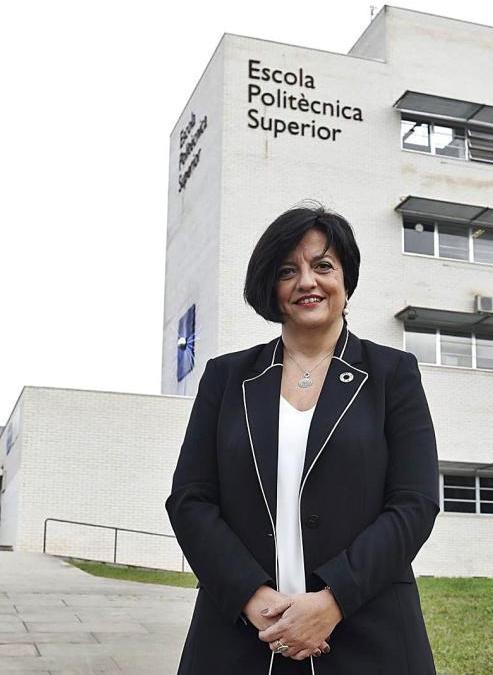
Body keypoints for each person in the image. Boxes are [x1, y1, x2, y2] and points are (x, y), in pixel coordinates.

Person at [166, 205, 440, 674]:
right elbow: (190, 500)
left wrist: (332, 601)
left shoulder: (392, 375)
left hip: (368, 635)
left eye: (323, 266)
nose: (307, 281)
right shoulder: (226, 378)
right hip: (238, 636)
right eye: (288, 270)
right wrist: (253, 599)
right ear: (270, 287)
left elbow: (414, 504)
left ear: (346, 279)